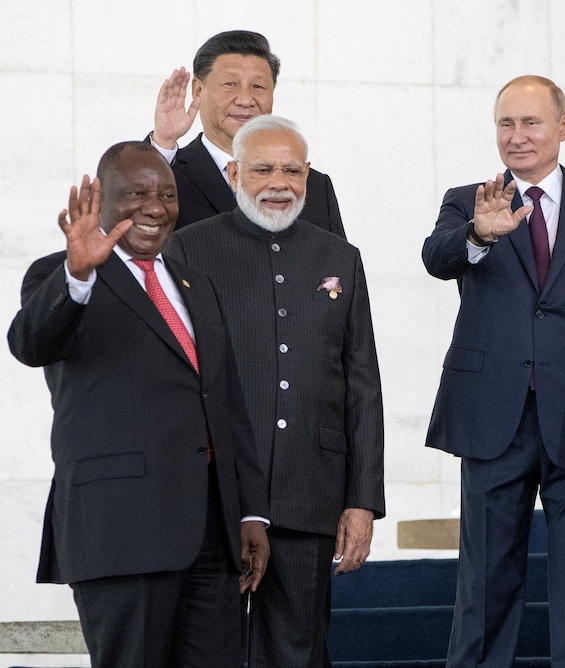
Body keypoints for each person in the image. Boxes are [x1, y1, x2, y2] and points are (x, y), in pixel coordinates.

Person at [7, 142, 271, 668]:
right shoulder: (60, 274)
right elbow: (29, 344)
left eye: (167, 194)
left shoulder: (197, 284)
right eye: (138, 194)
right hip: (120, 535)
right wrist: (78, 275)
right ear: (102, 198)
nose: (156, 207)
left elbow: (226, 405)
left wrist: (250, 512)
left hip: (211, 539)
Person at [423, 75, 565, 667]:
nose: (518, 137)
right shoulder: (470, 200)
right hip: (495, 417)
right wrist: (478, 234)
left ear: (563, 126)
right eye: (506, 124)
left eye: (531, 122)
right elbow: (436, 257)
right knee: (485, 586)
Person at [167, 114, 385, 668]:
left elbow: (362, 385)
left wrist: (362, 500)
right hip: (216, 497)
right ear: (235, 172)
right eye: (262, 168)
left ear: (308, 174)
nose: (278, 182)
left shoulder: (340, 257)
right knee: (209, 651)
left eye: (292, 169)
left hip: (309, 491)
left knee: (299, 652)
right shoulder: (187, 251)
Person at [147, 29, 347, 236]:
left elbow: (339, 263)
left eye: (258, 86)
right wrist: (163, 140)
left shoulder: (312, 185)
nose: (245, 100)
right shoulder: (170, 173)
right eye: (230, 84)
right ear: (198, 90)